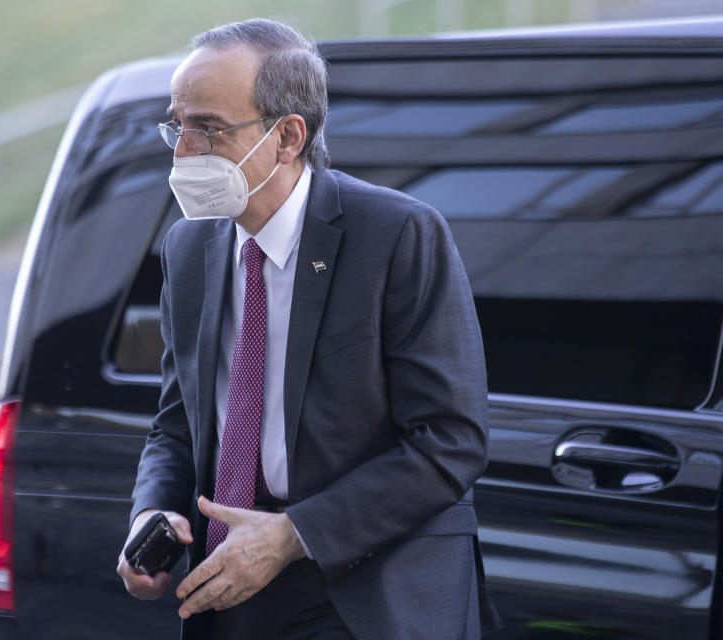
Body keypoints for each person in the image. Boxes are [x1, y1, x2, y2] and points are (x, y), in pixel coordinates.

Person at [117, 18, 502, 640]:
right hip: (230, 580)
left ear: (288, 136)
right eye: (177, 125)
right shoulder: (189, 249)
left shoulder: (396, 234)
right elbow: (176, 424)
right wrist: (151, 510)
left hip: (365, 591)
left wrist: (293, 535)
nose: (184, 150)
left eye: (209, 129)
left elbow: (450, 439)